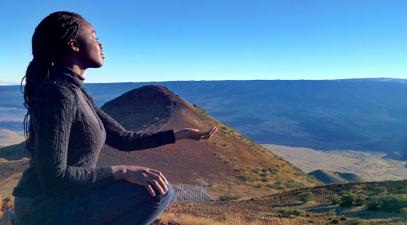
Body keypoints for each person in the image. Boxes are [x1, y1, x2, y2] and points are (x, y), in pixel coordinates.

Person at [12, 11, 217, 225]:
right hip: (44, 208)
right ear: (74, 44)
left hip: (63, 199)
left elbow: (123, 139)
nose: (101, 45)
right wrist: (121, 171)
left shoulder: (75, 92)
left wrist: (181, 134)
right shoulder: (59, 94)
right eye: (94, 37)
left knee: (157, 186)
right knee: (159, 192)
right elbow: (54, 177)